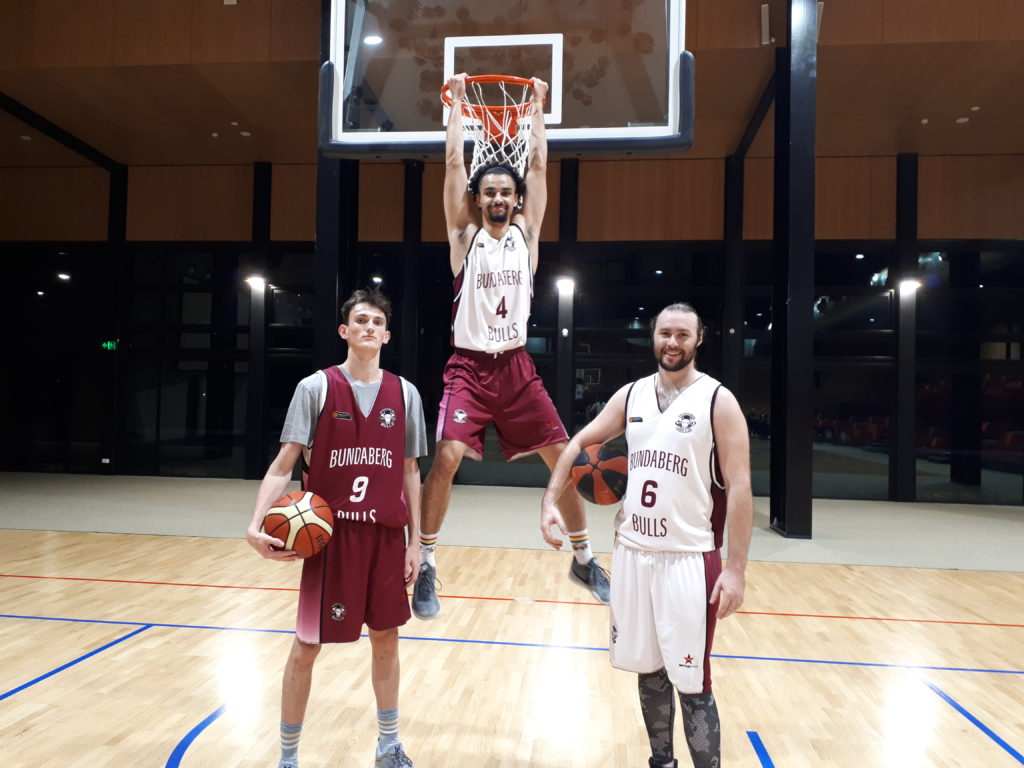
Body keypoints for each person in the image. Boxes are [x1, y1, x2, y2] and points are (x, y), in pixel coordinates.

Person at [411, 72, 609, 620]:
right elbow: (453, 165)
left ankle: (585, 559)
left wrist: (537, 108)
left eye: (506, 192)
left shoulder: (527, 237)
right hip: (468, 369)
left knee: (563, 458)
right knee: (446, 458)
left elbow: (540, 165)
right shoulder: (462, 238)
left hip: (517, 367)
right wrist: (453, 105)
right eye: (489, 192)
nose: (498, 198)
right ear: (478, 200)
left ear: (516, 199)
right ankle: (425, 563)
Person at [540, 303, 753, 768]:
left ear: (699, 340)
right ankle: (662, 762)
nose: (672, 343)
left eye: (682, 335)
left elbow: (740, 486)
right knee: (649, 671)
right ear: (652, 337)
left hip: (689, 558)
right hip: (633, 554)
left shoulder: (718, 400)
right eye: (664, 333)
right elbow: (577, 442)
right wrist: (550, 499)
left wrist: (735, 570)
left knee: (693, 682)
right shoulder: (632, 395)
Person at [246, 288, 427, 768]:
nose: (369, 327)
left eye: (377, 322)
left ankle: (388, 745)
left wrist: (419, 544)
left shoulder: (405, 393)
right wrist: (254, 522)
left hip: (387, 538)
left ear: (387, 335)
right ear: (345, 332)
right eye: (360, 320)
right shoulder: (316, 388)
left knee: (387, 639)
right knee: (307, 646)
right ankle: (288, 757)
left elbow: (411, 473)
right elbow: (284, 462)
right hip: (332, 538)